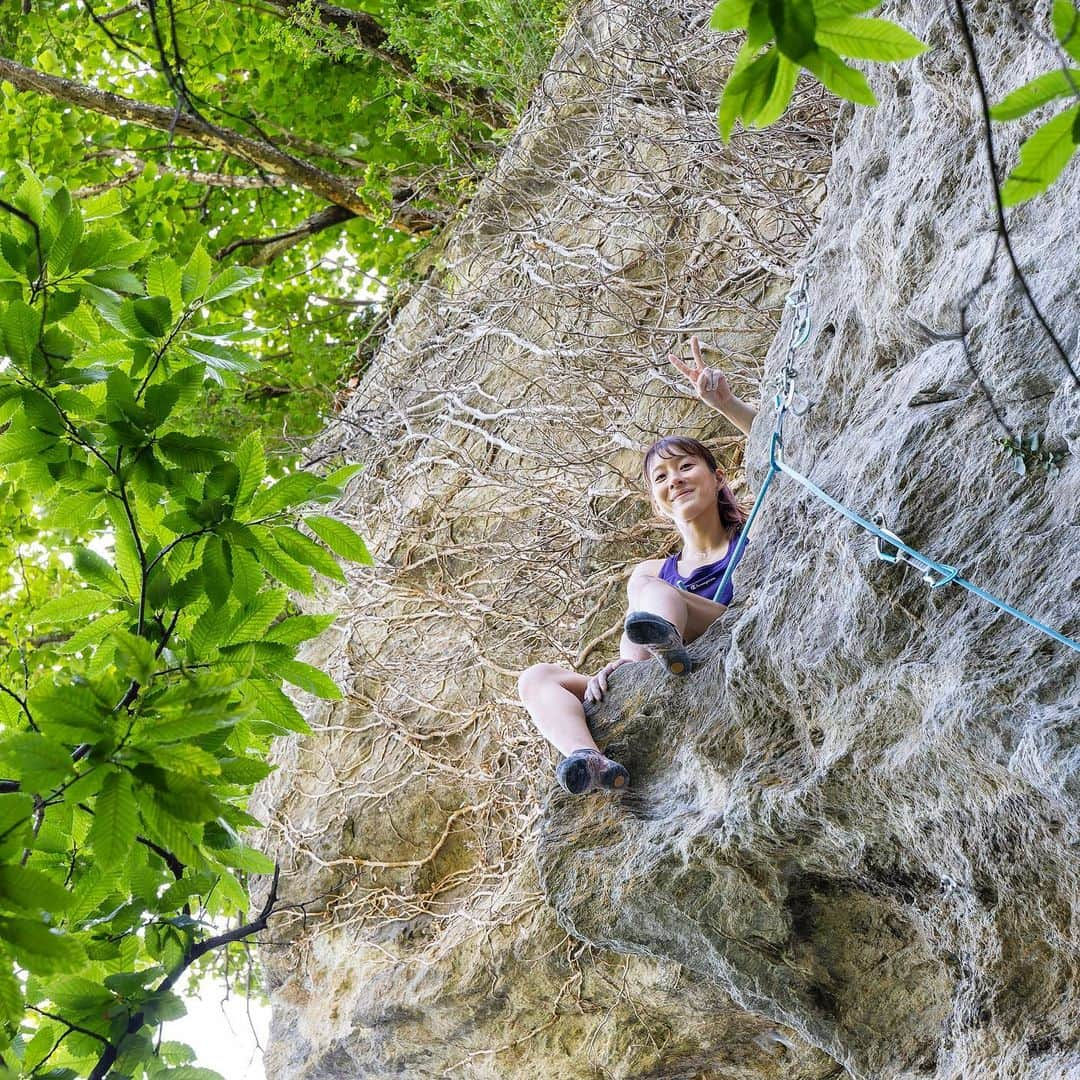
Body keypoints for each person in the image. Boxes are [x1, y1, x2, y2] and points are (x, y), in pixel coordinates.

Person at [517, 336, 759, 795]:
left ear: (718, 477)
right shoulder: (653, 569)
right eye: (662, 478)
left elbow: (785, 448)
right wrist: (617, 668)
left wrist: (725, 403)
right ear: (657, 503)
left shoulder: (752, 533)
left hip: (722, 624)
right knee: (537, 678)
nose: (676, 480)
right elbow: (638, 625)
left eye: (687, 466)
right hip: (650, 653)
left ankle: (663, 654)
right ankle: (588, 757)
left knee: (655, 595)